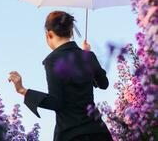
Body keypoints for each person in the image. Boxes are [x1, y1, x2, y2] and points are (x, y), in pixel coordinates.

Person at [8, 11, 113, 141]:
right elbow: (104, 84)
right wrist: (88, 56)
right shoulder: (88, 56)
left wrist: (22, 90)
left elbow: (56, 102)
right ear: (71, 31)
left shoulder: (52, 60)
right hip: (98, 132)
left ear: (49, 34)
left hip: (71, 134)